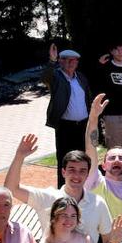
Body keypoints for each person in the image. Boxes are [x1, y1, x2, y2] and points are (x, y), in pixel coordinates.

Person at [5, 135, 113, 243]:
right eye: (72, 170)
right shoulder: (46, 197)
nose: (77, 175)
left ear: (87, 175)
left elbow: (107, 240)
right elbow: (11, 189)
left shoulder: (98, 203)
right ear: (63, 172)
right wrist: (19, 156)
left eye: (82, 171)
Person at [43, 44, 93, 187]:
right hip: (66, 127)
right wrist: (51, 61)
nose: (70, 63)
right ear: (61, 62)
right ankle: (63, 190)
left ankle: (84, 187)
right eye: (66, 60)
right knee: (65, 160)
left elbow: (88, 97)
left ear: (77, 62)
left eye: (73, 60)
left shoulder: (81, 77)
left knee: (84, 159)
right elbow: (45, 78)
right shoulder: (56, 77)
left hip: (83, 125)